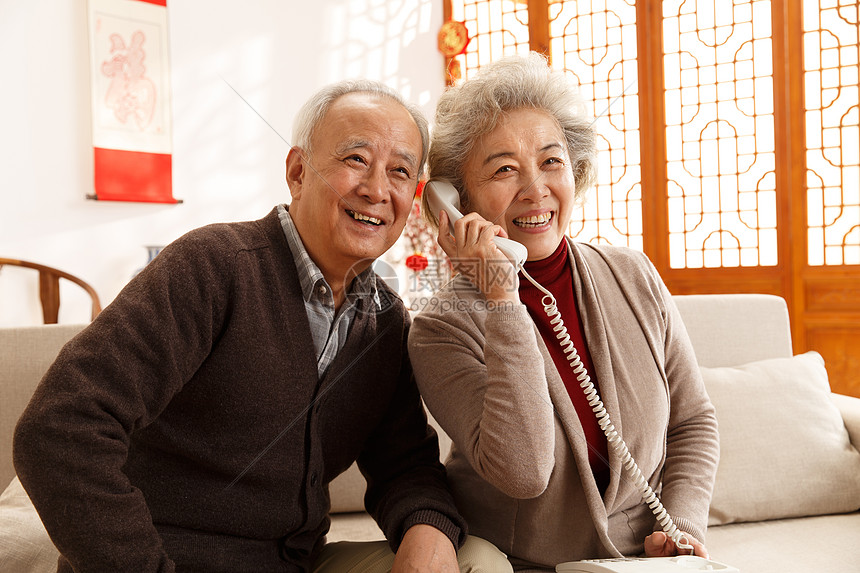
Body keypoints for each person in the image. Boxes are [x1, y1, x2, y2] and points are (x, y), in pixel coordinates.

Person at [13, 80, 507, 572]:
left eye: (399, 171)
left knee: (478, 563)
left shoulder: (384, 320)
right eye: (355, 160)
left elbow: (405, 465)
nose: (378, 190)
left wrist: (428, 533)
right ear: (297, 172)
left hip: (300, 564)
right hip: (168, 561)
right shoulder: (212, 267)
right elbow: (59, 426)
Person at [407, 53, 720, 571]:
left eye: (551, 161)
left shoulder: (632, 274)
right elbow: (524, 471)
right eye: (505, 169)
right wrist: (502, 298)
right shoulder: (440, 328)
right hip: (518, 563)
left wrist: (681, 529)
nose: (536, 190)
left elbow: (692, 421)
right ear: (455, 201)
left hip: (645, 562)